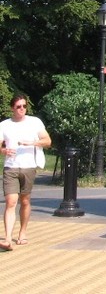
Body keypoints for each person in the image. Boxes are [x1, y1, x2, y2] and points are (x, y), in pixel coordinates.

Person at [0, 94, 52, 250]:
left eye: (24, 106)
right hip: (11, 167)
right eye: (18, 107)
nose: (22, 109)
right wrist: (3, 150)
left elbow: (48, 141)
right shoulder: (4, 125)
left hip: (29, 166)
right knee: (10, 202)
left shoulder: (34, 122)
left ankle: (22, 232)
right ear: (12, 108)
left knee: (25, 200)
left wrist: (32, 142)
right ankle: (8, 238)